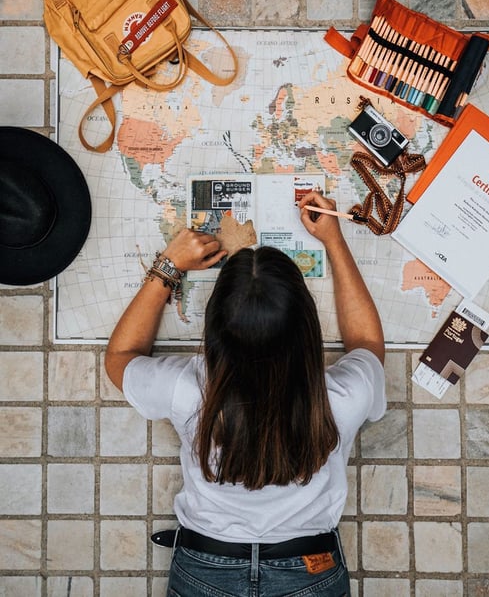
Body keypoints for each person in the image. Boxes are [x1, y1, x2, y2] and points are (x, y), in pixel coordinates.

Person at [105, 190, 386, 597]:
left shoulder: (189, 390)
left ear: (214, 333)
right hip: (310, 570)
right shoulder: (344, 395)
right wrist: (335, 242)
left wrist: (170, 267)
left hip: (206, 566)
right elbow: (366, 349)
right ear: (307, 329)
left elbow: (120, 358)